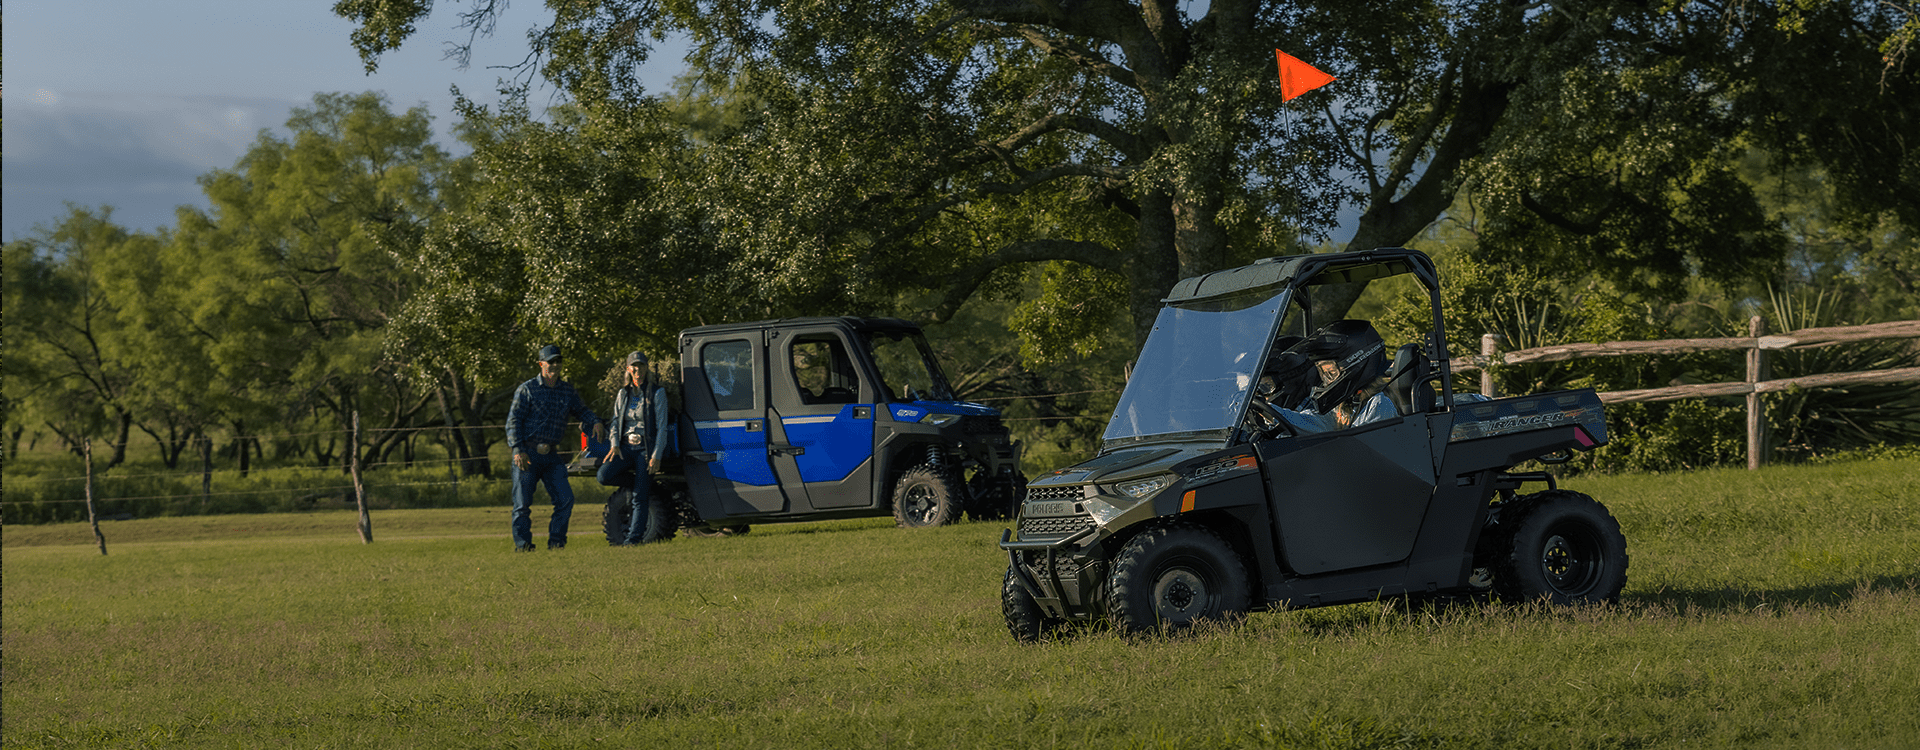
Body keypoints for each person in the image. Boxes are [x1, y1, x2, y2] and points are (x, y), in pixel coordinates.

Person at [504, 344, 606, 552]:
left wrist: (595, 421)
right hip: (527, 453)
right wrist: (517, 449)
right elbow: (513, 421)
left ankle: (557, 543)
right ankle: (523, 546)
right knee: (522, 506)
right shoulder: (527, 389)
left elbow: (581, 410)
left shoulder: (567, 390)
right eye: (551, 361)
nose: (555, 365)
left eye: (558, 361)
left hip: (551, 455)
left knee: (565, 499)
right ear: (541, 364)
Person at [599, 351, 672, 546]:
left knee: (640, 498)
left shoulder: (657, 393)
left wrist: (656, 455)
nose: (637, 369)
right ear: (628, 369)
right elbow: (615, 422)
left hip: (645, 449)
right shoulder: (623, 394)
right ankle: (641, 483)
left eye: (641, 366)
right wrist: (614, 445)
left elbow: (662, 427)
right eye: (634, 366)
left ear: (646, 368)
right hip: (625, 448)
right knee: (604, 475)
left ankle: (633, 540)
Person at [1298, 320, 1399, 429]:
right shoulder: (1345, 405)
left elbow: (1361, 443)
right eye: (1323, 372)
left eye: (1331, 371)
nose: (1327, 379)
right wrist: (1279, 416)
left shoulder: (1380, 405)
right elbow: (1313, 421)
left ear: (1357, 364)